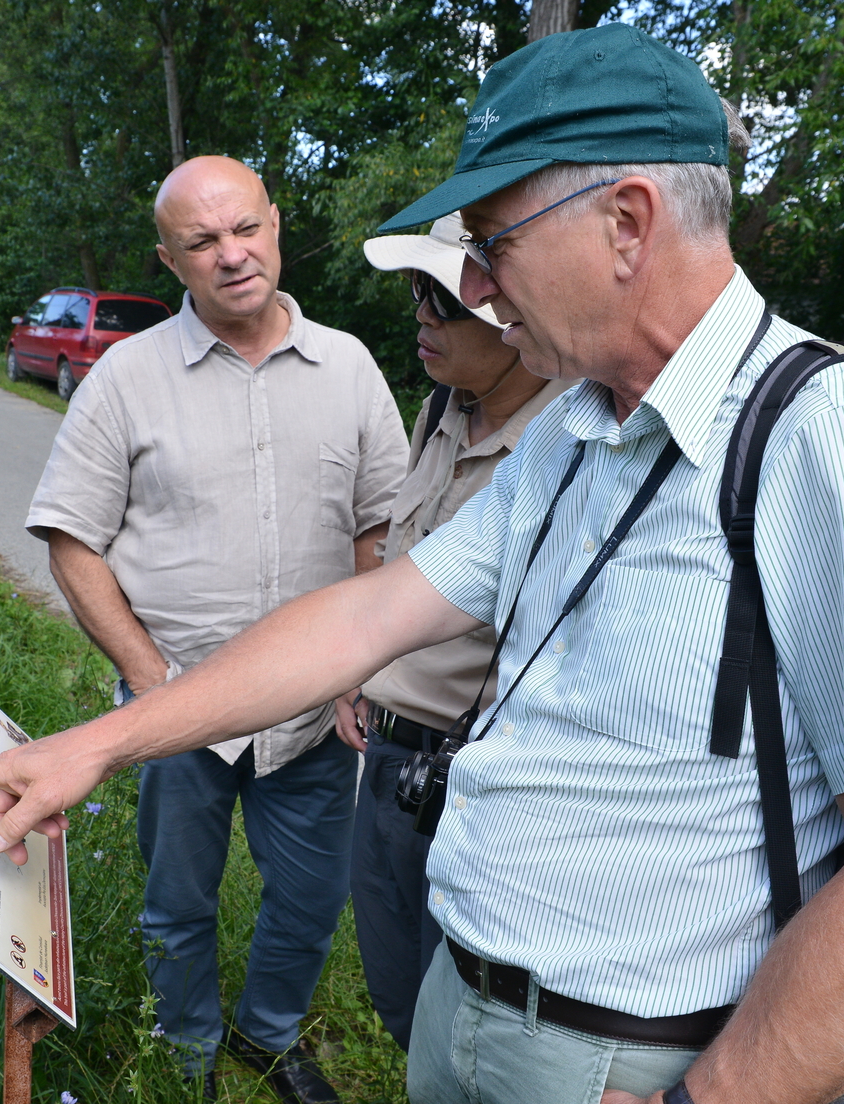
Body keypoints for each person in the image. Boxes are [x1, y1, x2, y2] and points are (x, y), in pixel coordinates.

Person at [0, 26, 844, 1104]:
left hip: (635, 1059)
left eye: (494, 243)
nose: (476, 285)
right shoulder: (572, 431)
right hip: (464, 1013)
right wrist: (97, 746)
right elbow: (366, 618)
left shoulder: (840, 441)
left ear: (627, 223)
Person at [22, 156, 408, 1102]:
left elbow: (381, 532)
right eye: (202, 242)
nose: (232, 255)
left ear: (275, 225)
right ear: (171, 260)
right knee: (177, 906)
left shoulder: (350, 368)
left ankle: (268, 1035)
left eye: (245, 229)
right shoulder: (126, 377)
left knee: (312, 899)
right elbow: (71, 540)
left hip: (316, 712)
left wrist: (361, 672)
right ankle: (186, 1054)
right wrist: (154, 684)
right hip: (177, 710)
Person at [334, 213, 571, 1051]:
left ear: (512, 315)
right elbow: (401, 560)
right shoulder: (440, 405)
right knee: (395, 987)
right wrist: (357, 671)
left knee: (464, 1015)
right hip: (386, 754)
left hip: (469, 775)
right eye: (417, 291)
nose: (422, 315)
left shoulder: (566, 442)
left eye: (445, 299)